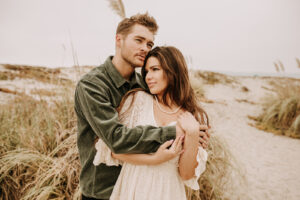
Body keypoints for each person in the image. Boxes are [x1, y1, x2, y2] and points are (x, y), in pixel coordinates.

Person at [74, 13, 209, 200]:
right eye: (139, 40)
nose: (145, 48)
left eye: (149, 44)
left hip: (147, 189)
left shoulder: (144, 87)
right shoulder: (92, 85)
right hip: (103, 189)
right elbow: (115, 139)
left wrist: (192, 137)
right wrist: (178, 132)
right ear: (118, 39)